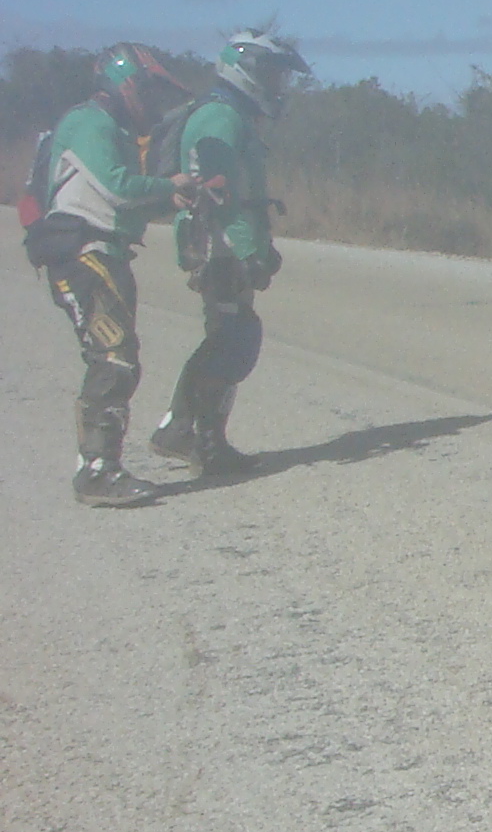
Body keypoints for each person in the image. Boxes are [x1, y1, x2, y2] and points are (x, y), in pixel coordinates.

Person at [24, 44, 203, 505]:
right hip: (82, 253)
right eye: (148, 90)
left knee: (119, 356)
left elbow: (120, 202)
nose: (154, 102)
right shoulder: (92, 122)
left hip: (102, 252)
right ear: (128, 85)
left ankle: (101, 467)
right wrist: (169, 185)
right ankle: (97, 472)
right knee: (113, 356)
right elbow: (118, 188)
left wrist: (166, 198)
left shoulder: (112, 128)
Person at [148, 30, 312, 477]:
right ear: (247, 70)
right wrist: (247, 249)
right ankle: (186, 432)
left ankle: (201, 438)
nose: (278, 85)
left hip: (224, 243)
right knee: (233, 338)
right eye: (273, 74)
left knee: (230, 335)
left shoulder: (232, 115)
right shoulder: (220, 117)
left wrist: (260, 244)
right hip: (216, 245)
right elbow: (218, 194)